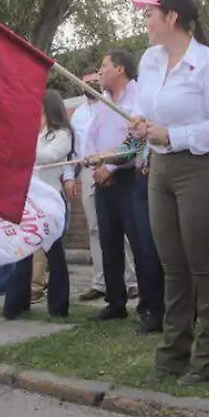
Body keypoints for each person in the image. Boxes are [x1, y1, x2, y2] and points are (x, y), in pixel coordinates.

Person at [130, 0, 209, 386]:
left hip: (201, 171)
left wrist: (172, 136)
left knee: (204, 268)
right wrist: (142, 126)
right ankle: (174, 354)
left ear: (171, 17)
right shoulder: (150, 60)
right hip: (161, 172)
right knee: (173, 268)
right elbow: (149, 112)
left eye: (149, 13)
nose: (145, 20)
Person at [83, 50, 164, 332]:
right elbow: (90, 137)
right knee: (109, 243)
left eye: (104, 66)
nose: (100, 71)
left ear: (119, 69)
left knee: (142, 244)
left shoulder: (138, 98)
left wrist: (110, 167)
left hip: (131, 178)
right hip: (103, 181)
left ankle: (150, 306)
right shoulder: (104, 103)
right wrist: (96, 166)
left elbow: (134, 143)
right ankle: (115, 302)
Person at [70, 67, 138, 303]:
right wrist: (84, 171)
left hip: (118, 168)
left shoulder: (111, 104)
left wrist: (108, 168)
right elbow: (81, 144)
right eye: (85, 82)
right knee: (97, 230)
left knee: (126, 231)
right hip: (91, 171)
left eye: (94, 80)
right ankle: (101, 283)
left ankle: (132, 281)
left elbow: (128, 140)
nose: (90, 84)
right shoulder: (78, 114)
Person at [4, 89, 74, 320]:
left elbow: (49, 156)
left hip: (51, 200)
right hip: (30, 200)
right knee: (23, 251)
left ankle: (58, 307)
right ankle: (15, 305)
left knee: (54, 253)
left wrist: (23, 150)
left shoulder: (62, 134)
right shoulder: (34, 132)